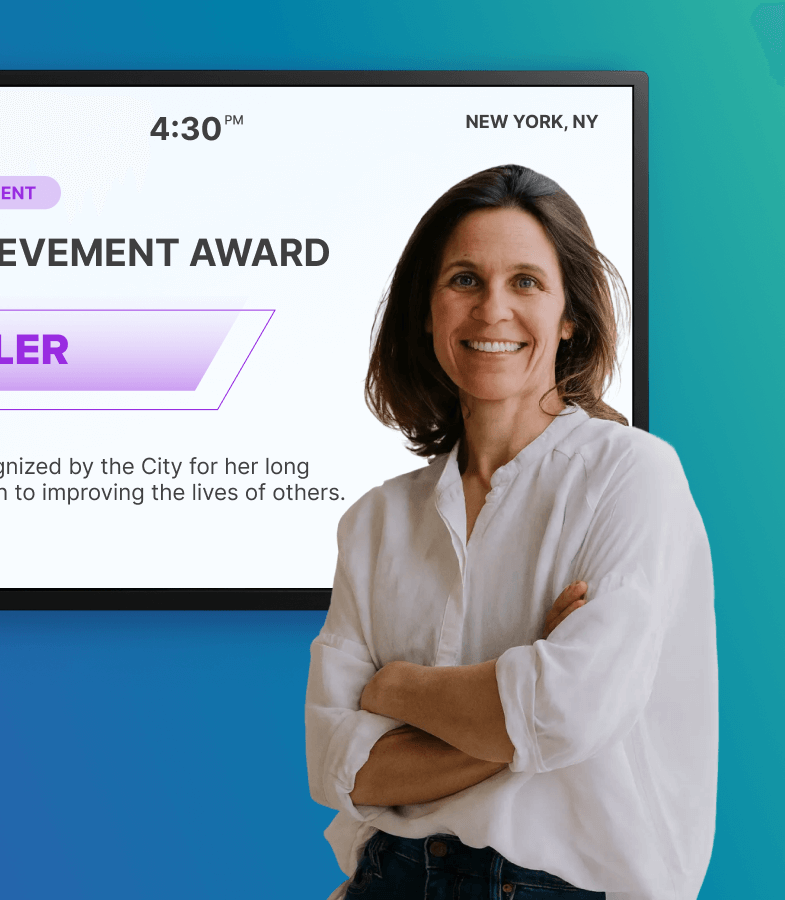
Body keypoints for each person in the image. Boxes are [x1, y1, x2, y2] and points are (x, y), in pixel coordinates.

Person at [305, 165, 716, 900]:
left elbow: (569, 713)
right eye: (464, 279)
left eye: (526, 281)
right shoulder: (374, 521)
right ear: (426, 312)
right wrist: (512, 705)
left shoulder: (633, 476)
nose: (492, 309)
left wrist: (398, 688)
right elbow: (339, 768)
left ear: (570, 316)